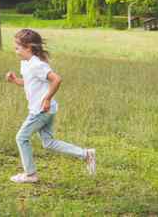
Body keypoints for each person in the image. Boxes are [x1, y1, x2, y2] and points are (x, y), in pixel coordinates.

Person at [6, 28, 96, 183]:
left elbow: (57, 79)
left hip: (41, 110)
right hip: (46, 110)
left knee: (21, 138)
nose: (15, 50)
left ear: (28, 47)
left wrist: (47, 98)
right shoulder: (26, 63)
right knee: (48, 142)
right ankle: (86, 154)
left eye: (17, 47)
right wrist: (15, 80)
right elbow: (28, 83)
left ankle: (30, 174)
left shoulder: (37, 65)